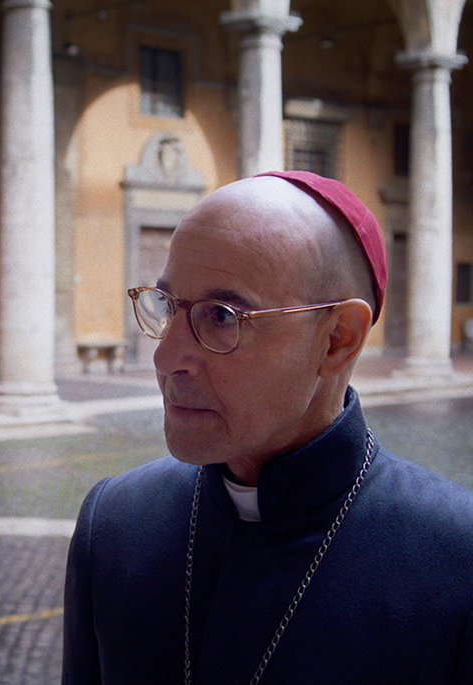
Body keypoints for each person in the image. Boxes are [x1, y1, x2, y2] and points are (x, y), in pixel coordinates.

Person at [62, 170, 473, 684]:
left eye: (222, 316)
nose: (166, 357)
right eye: (166, 305)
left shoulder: (459, 562)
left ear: (337, 340)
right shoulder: (115, 524)